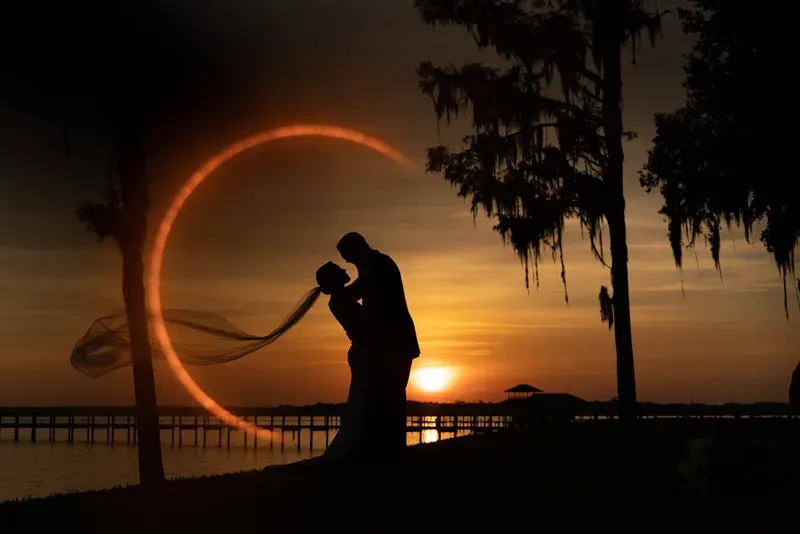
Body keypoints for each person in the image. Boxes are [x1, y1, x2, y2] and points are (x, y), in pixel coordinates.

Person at [336, 232, 420, 460]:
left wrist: (339, 290)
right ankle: (388, 451)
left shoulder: (378, 265)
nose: (348, 263)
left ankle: (392, 452)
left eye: (348, 257)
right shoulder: (373, 265)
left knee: (393, 396)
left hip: (397, 340)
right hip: (388, 342)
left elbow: (360, 292)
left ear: (358, 250)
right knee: (387, 397)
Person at [312, 261, 376, 462]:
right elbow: (363, 285)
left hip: (362, 350)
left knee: (363, 400)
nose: (345, 270)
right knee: (362, 400)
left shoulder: (340, 297)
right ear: (334, 279)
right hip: (363, 351)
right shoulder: (339, 298)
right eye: (340, 270)